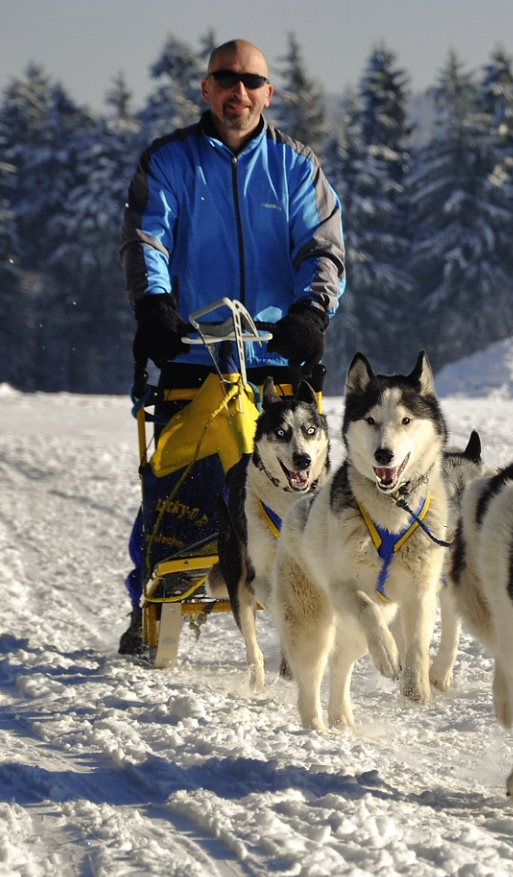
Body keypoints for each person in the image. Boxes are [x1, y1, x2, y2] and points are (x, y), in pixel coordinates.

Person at [117, 38, 345, 656]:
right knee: (176, 486)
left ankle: (308, 605)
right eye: (225, 79)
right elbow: (147, 240)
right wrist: (154, 305)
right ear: (206, 88)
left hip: (276, 365)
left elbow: (322, 250)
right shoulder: (169, 161)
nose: (237, 92)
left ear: (268, 93)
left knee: (298, 491)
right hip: (193, 359)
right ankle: (156, 593)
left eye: (250, 81)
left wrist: (310, 310)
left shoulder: (296, 167)